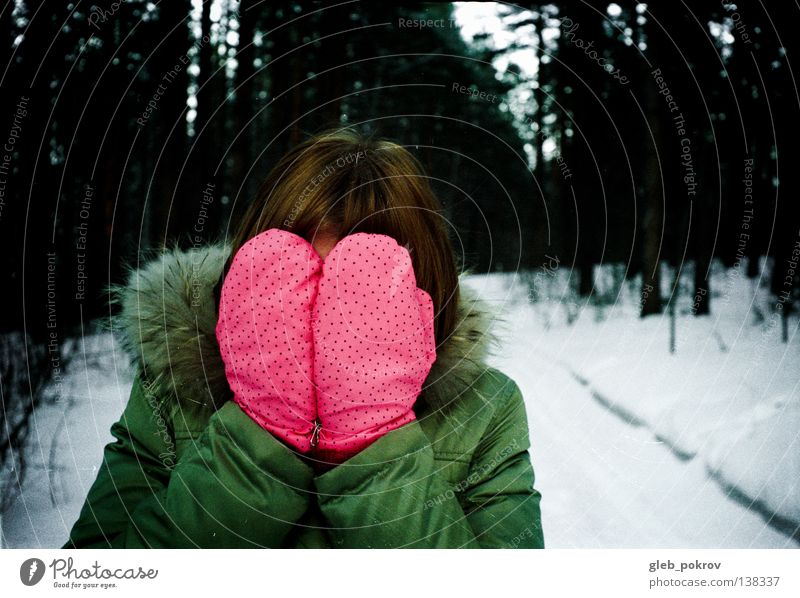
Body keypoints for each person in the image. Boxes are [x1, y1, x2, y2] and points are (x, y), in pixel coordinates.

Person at [63, 129, 544, 548]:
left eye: (358, 290)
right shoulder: (171, 393)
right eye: (300, 284)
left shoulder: (485, 408)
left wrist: (368, 437)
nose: (322, 315)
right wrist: (259, 432)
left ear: (423, 286)